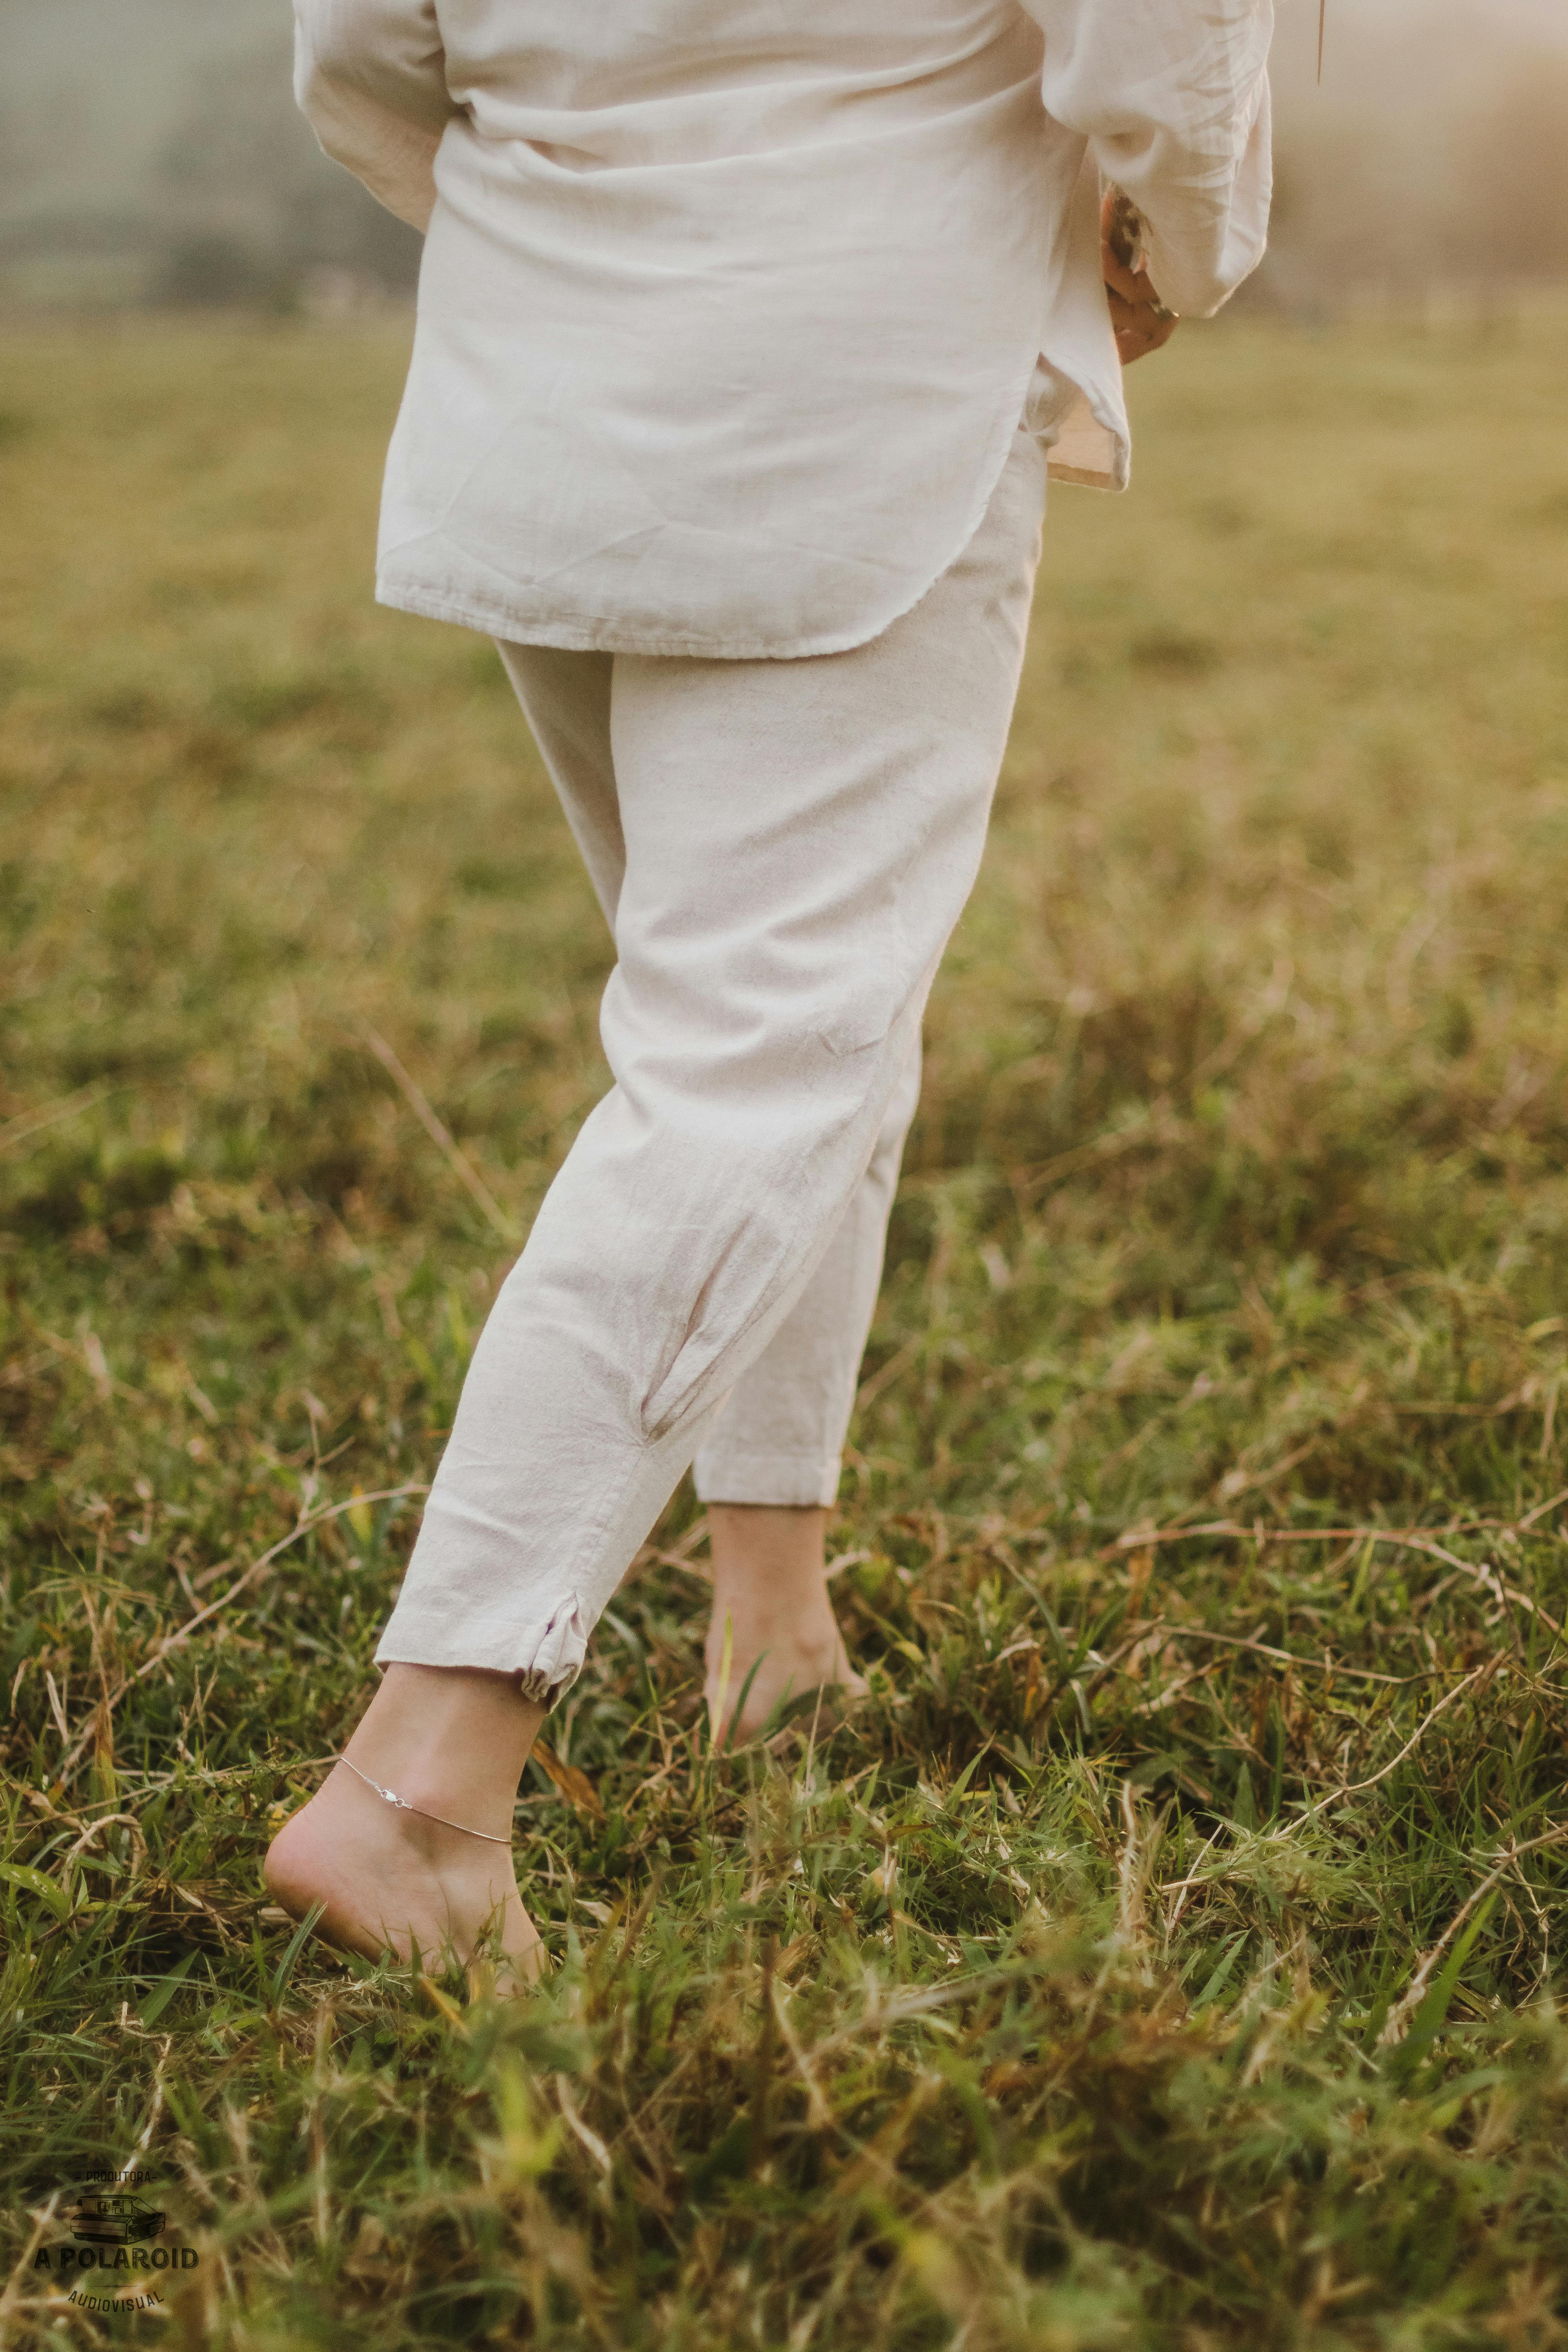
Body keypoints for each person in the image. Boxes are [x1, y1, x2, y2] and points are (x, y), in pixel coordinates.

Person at [267, 0, 1273, 1987]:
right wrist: (1181, 241)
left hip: (546, 379)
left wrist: (594, 212)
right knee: (757, 1059)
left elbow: (358, 57)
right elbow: (1155, 51)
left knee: (795, 1023)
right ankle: (421, 1790)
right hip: (858, 386)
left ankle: (770, 1619)